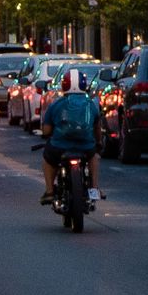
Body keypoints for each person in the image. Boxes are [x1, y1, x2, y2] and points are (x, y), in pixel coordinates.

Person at [39, 67, 103, 205]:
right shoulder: (91, 105)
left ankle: (50, 191)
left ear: (64, 85)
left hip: (59, 146)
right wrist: (98, 143)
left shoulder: (56, 104)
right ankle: (94, 187)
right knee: (94, 157)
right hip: (86, 146)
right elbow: (97, 127)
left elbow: (46, 131)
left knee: (47, 160)